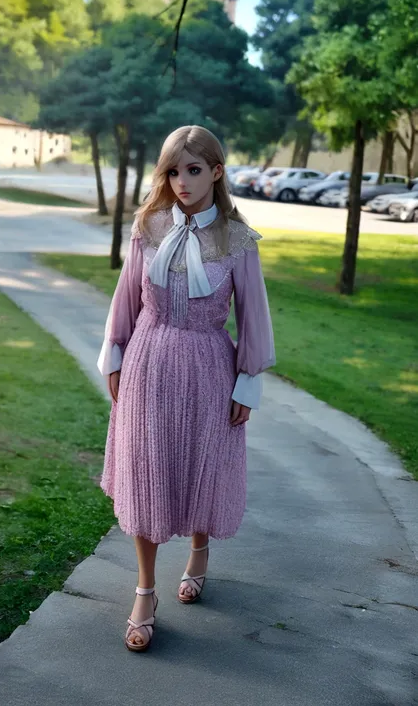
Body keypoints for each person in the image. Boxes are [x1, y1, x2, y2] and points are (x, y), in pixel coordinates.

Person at [97, 125, 276, 652]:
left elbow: (255, 317)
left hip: (207, 363)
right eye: (173, 170)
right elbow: (127, 293)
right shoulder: (148, 225)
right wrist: (115, 352)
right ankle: (145, 590)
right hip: (149, 359)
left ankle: (199, 554)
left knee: (203, 463)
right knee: (147, 468)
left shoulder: (236, 237)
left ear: (216, 172)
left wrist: (246, 385)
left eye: (193, 170)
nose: (181, 181)